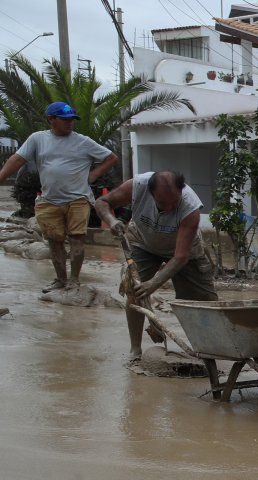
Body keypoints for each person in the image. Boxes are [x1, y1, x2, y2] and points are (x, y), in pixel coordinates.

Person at [94, 171, 218, 359]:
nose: (169, 208)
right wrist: (111, 220)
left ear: (181, 191)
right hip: (143, 242)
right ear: (150, 194)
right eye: (162, 203)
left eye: (174, 203)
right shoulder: (136, 187)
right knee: (134, 292)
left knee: (203, 301)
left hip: (185, 250)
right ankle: (135, 349)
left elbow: (180, 257)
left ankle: (210, 350)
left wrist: (154, 283)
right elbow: (102, 202)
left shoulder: (191, 208)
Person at [0, 102, 119, 292]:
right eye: (65, 120)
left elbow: (111, 157)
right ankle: (61, 279)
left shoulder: (83, 141)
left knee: (77, 239)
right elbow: (17, 159)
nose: (70, 123)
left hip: (78, 199)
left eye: (72, 119)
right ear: (51, 120)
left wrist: (94, 175)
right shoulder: (37, 139)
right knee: (54, 242)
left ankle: (74, 280)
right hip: (49, 200)